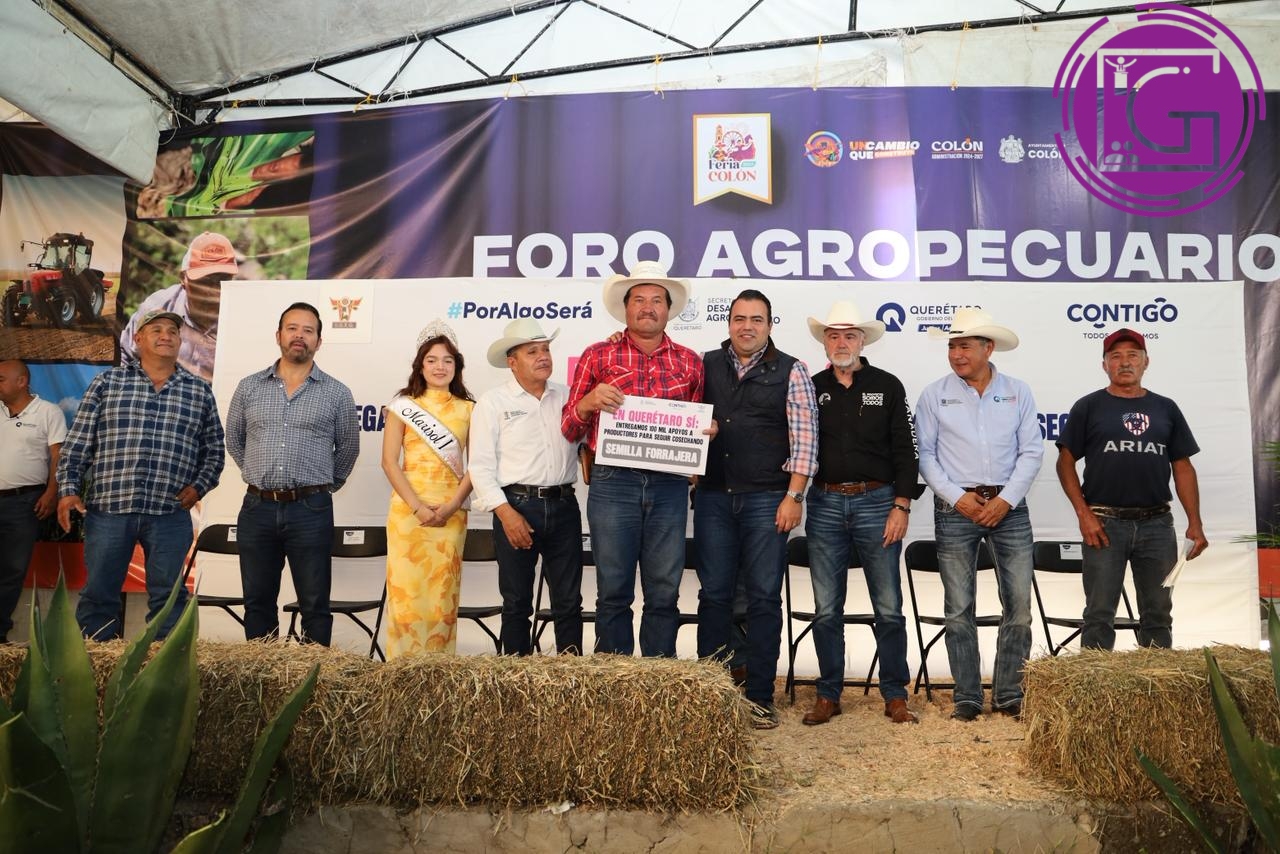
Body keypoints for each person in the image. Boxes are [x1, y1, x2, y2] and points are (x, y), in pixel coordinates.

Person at [562, 260, 705, 657]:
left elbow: (699, 428)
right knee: (613, 590)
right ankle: (614, 681)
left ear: (669, 309)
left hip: (669, 485)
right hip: (613, 482)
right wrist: (588, 402)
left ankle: (658, 680)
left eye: (657, 300)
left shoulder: (691, 362)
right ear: (625, 308)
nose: (648, 307)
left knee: (664, 590)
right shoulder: (597, 355)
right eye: (639, 299)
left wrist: (703, 434)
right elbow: (569, 428)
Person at [58, 310, 225, 639]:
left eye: (172, 331)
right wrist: (68, 490)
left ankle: (166, 664)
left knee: (169, 598)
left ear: (180, 341)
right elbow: (78, 443)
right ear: (138, 338)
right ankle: (96, 663)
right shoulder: (107, 383)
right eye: (156, 329)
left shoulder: (198, 391)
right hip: (109, 509)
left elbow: (214, 451)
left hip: (169, 513)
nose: (166, 336)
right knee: (99, 594)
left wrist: (198, 487)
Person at [695, 289, 816, 729]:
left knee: (764, 598)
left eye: (757, 319)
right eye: (740, 319)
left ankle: (760, 697)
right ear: (729, 323)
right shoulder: (704, 364)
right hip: (712, 496)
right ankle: (711, 697)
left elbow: (805, 441)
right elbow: (679, 416)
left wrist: (794, 497)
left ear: (769, 324)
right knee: (714, 596)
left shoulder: (792, 370)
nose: (747, 327)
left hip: (769, 499)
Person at [915, 307, 1043, 721]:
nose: (956, 354)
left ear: (988, 348)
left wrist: (1006, 500)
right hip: (956, 510)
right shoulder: (933, 394)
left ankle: (1009, 693)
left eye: (965, 346)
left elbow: (1032, 451)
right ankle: (967, 696)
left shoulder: (1018, 391)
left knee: (1019, 606)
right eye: (952, 346)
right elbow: (926, 456)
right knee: (958, 608)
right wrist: (958, 498)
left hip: (1010, 508)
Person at [800, 302, 921, 727]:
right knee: (825, 608)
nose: (841, 343)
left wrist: (901, 504)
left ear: (862, 341)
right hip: (825, 502)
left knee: (888, 606)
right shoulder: (810, 387)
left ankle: (895, 695)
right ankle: (828, 694)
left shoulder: (887, 385)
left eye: (849, 335)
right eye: (833, 335)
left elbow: (906, 450)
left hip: (878, 502)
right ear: (824, 342)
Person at [1055, 328, 1207, 649]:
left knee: (1159, 613)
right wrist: (1084, 514)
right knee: (1099, 614)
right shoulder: (1089, 406)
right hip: (1103, 524)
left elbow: (1183, 467)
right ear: (1104, 365)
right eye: (1116, 356)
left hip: (1157, 525)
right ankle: (1094, 681)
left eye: (1133, 356)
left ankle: (1158, 680)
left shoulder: (1166, 408)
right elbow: (1065, 463)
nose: (1125, 363)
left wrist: (1195, 522)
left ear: (1146, 362)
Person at [226, 302, 358, 646]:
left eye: (308, 330)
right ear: (278, 335)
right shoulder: (249, 387)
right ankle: (261, 675)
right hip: (257, 508)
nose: (299, 336)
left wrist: (323, 486)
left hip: (311, 511)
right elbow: (234, 439)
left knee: (314, 604)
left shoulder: (337, 392)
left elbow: (348, 448)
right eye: (292, 328)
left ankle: (314, 675)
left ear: (319, 341)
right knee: (257, 602)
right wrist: (258, 474)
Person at [470, 318, 583, 655]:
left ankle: (571, 674)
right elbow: (480, 466)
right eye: (532, 351)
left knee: (568, 602)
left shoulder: (568, 397)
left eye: (545, 349)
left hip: (564, 505)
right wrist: (506, 514)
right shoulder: (493, 402)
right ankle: (516, 676)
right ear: (512, 362)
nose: (543, 356)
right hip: (516, 506)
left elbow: (587, 444)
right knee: (517, 602)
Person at [380, 320, 475, 656]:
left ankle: (439, 672)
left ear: (457, 366)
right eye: (432, 360)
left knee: (441, 599)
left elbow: (476, 466)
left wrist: (451, 506)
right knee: (406, 597)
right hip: (408, 515)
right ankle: (399, 673)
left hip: (451, 514)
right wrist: (418, 507)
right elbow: (389, 462)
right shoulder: (402, 406)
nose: (440, 367)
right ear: (420, 365)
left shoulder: (469, 409)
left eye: (447, 360)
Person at [0, 360, 67, 642]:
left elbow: (58, 455)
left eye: (1, 379)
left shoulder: (48, 411)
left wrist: (52, 492)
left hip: (24, 502)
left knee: (12, 570)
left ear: (22, 381)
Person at [120, 231, 239, 383]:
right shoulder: (157, 307)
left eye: (222, 280)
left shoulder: (243, 317)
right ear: (183, 279)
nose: (213, 290)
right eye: (204, 282)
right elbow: (125, 356)